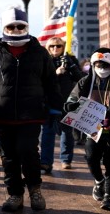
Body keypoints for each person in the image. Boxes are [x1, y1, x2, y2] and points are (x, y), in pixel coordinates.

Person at [0, 6, 63, 212]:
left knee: (28, 152)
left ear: (26, 26)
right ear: (5, 28)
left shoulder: (39, 52)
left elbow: (51, 82)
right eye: (11, 26)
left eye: (21, 26)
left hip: (31, 115)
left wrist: (56, 108)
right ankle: (14, 194)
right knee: (8, 156)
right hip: (2, 114)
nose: (16, 29)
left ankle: (35, 190)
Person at [64, 47, 110, 211]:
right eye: (98, 64)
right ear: (92, 64)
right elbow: (71, 100)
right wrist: (70, 105)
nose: (102, 68)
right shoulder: (85, 82)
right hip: (92, 130)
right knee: (91, 158)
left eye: (106, 65)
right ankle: (99, 181)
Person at [40, 37, 85, 173]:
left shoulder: (70, 59)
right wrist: (55, 73)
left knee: (67, 133)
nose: (55, 48)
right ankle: (46, 162)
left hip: (67, 103)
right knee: (47, 133)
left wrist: (71, 65)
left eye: (58, 46)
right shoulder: (44, 60)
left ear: (63, 47)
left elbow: (81, 79)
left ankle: (66, 159)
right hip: (49, 102)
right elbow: (39, 79)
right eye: (52, 46)